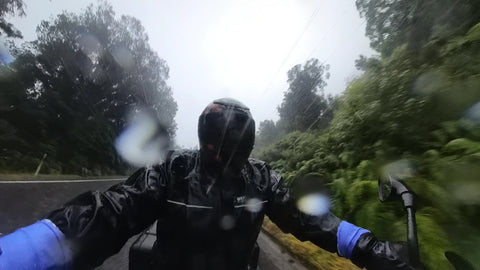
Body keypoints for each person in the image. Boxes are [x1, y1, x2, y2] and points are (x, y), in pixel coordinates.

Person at [0, 98, 416, 270]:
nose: (224, 155)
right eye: (219, 145)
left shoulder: (262, 177)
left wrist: (373, 249)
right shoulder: (172, 169)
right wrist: (24, 251)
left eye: (234, 147)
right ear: (204, 141)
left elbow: (312, 219)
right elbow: (112, 211)